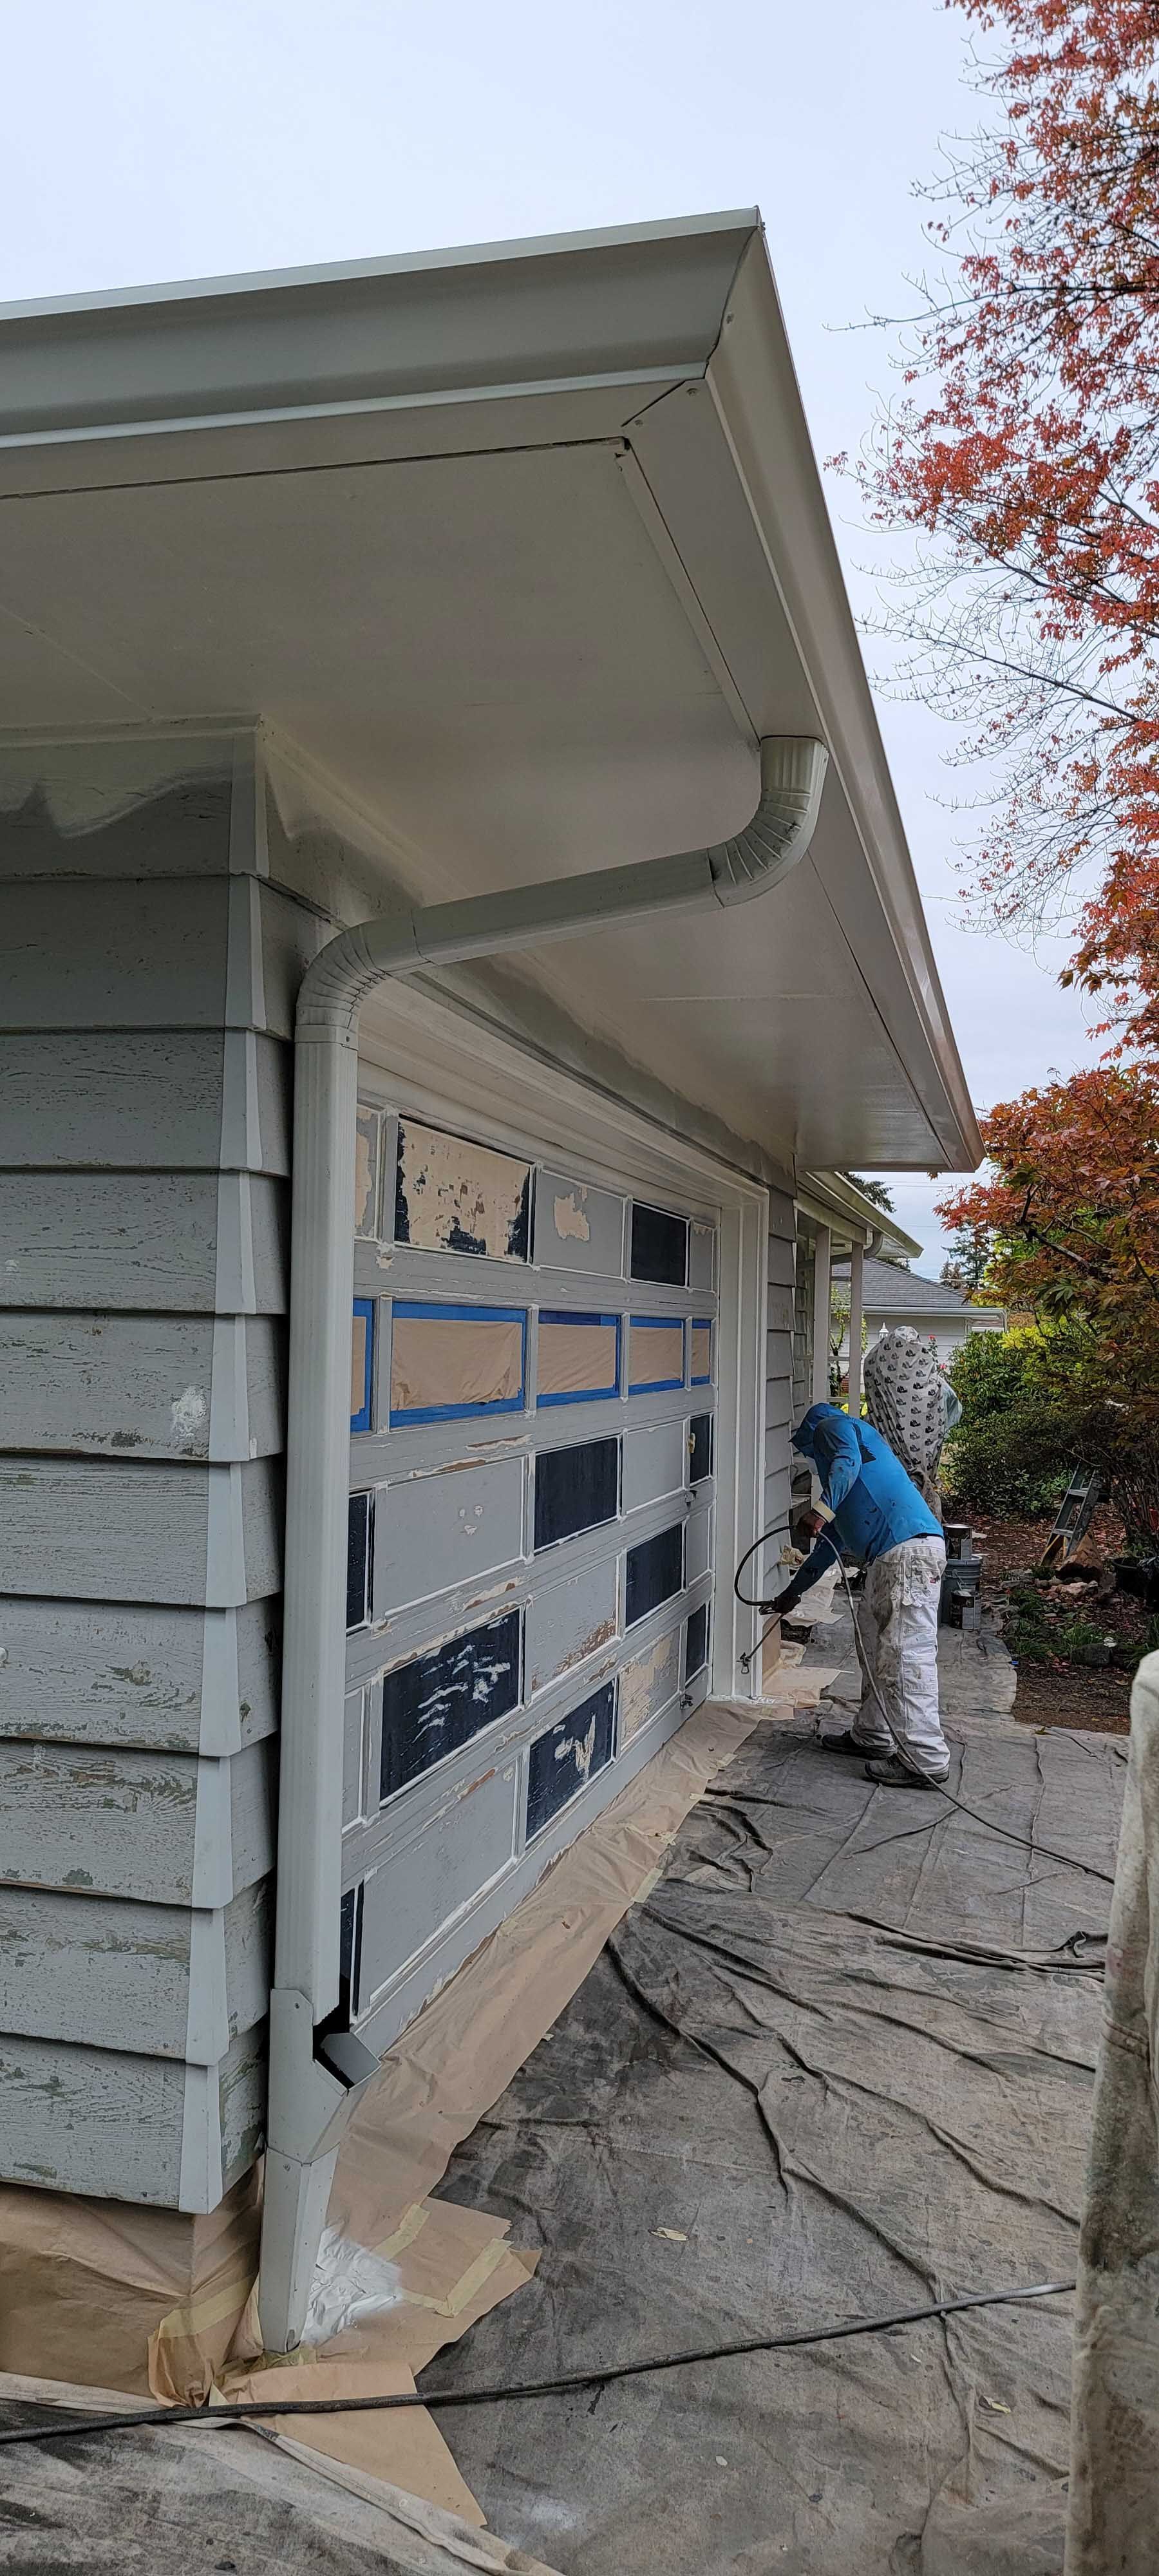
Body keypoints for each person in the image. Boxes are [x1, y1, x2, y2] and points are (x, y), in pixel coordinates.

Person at [768, 1403, 949, 1788]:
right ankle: (873, 1733)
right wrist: (792, 1594)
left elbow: (845, 1459)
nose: (813, 1457)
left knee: (905, 1654)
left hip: (908, 1554)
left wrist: (819, 1510)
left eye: (811, 1451)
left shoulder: (834, 1426)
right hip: (894, 1559)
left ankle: (925, 1758)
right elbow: (824, 1550)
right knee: (871, 1644)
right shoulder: (853, 1488)